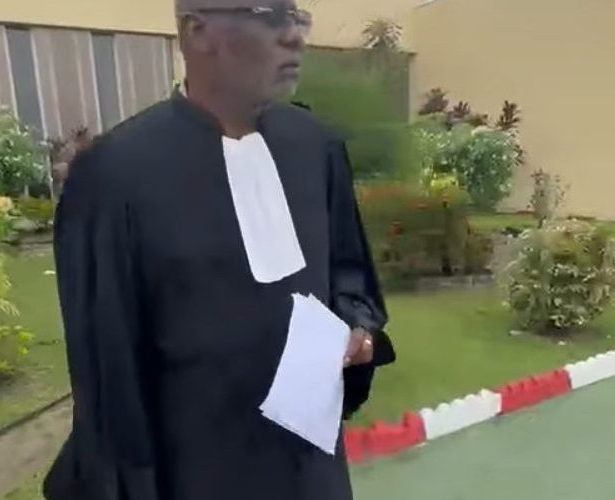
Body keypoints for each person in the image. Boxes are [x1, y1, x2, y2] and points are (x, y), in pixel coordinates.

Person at [43, 1, 395, 499]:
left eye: (296, 17)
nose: (293, 36)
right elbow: (108, 375)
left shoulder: (316, 147)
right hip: (195, 473)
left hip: (313, 470)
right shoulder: (113, 175)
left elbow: (348, 273)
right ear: (198, 31)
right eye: (269, 15)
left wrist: (357, 327)